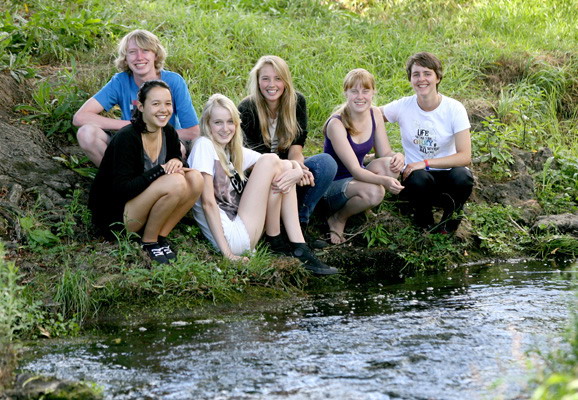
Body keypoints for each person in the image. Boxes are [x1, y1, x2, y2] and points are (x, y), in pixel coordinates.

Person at [187, 94, 338, 275]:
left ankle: (295, 245)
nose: (225, 128)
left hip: (244, 230)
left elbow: (280, 165)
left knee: (280, 165)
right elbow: (207, 203)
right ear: (207, 124)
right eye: (218, 122)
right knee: (270, 161)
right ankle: (286, 242)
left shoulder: (230, 151)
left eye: (230, 122)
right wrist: (227, 254)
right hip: (232, 238)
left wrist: (297, 170)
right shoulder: (204, 145)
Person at [88, 80, 203, 264]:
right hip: (118, 216)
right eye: (156, 104)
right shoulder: (127, 138)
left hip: (144, 209)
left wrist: (175, 160)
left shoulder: (168, 132)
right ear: (141, 106)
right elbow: (122, 190)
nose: (163, 109)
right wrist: (160, 170)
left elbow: (174, 155)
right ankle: (148, 242)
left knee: (195, 178)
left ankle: (160, 236)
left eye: (167, 103)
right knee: (176, 182)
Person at [238, 55, 337, 248]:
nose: (271, 84)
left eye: (277, 78)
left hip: (287, 169)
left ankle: (299, 226)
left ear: (285, 81)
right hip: (261, 176)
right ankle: (272, 232)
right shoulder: (247, 108)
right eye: (265, 78)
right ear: (258, 81)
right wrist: (290, 171)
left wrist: (298, 167)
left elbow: (296, 146)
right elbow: (253, 161)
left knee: (325, 163)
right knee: (286, 174)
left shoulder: (296, 101)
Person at [73, 29, 200, 167]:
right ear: (125, 58)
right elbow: (80, 117)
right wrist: (134, 127)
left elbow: (193, 131)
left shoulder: (173, 81)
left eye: (145, 50)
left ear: (156, 55)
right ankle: (118, 182)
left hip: (164, 144)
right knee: (86, 133)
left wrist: (155, 134)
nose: (139, 57)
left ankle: (159, 185)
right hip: (130, 142)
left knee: (177, 148)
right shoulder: (120, 81)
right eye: (132, 52)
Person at [381, 52, 474, 233]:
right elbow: (371, 116)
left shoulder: (454, 108)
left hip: (448, 179)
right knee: (418, 177)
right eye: (416, 74)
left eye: (427, 73)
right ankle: (424, 220)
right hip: (418, 182)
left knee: (463, 176)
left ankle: (450, 221)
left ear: (438, 77)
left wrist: (424, 163)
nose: (421, 79)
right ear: (410, 79)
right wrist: (339, 118)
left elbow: (465, 156)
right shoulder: (403, 106)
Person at [323, 68, 405, 244]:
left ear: (373, 92)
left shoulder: (375, 114)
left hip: (357, 177)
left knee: (390, 165)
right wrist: (384, 182)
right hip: (333, 187)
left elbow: (384, 154)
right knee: (376, 191)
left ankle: (362, 207)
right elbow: (354, 169)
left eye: (365, 91)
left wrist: (398, 156)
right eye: (354, 91)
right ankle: (338, 218)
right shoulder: (336, 124)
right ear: (346, 93)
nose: (360, 96)